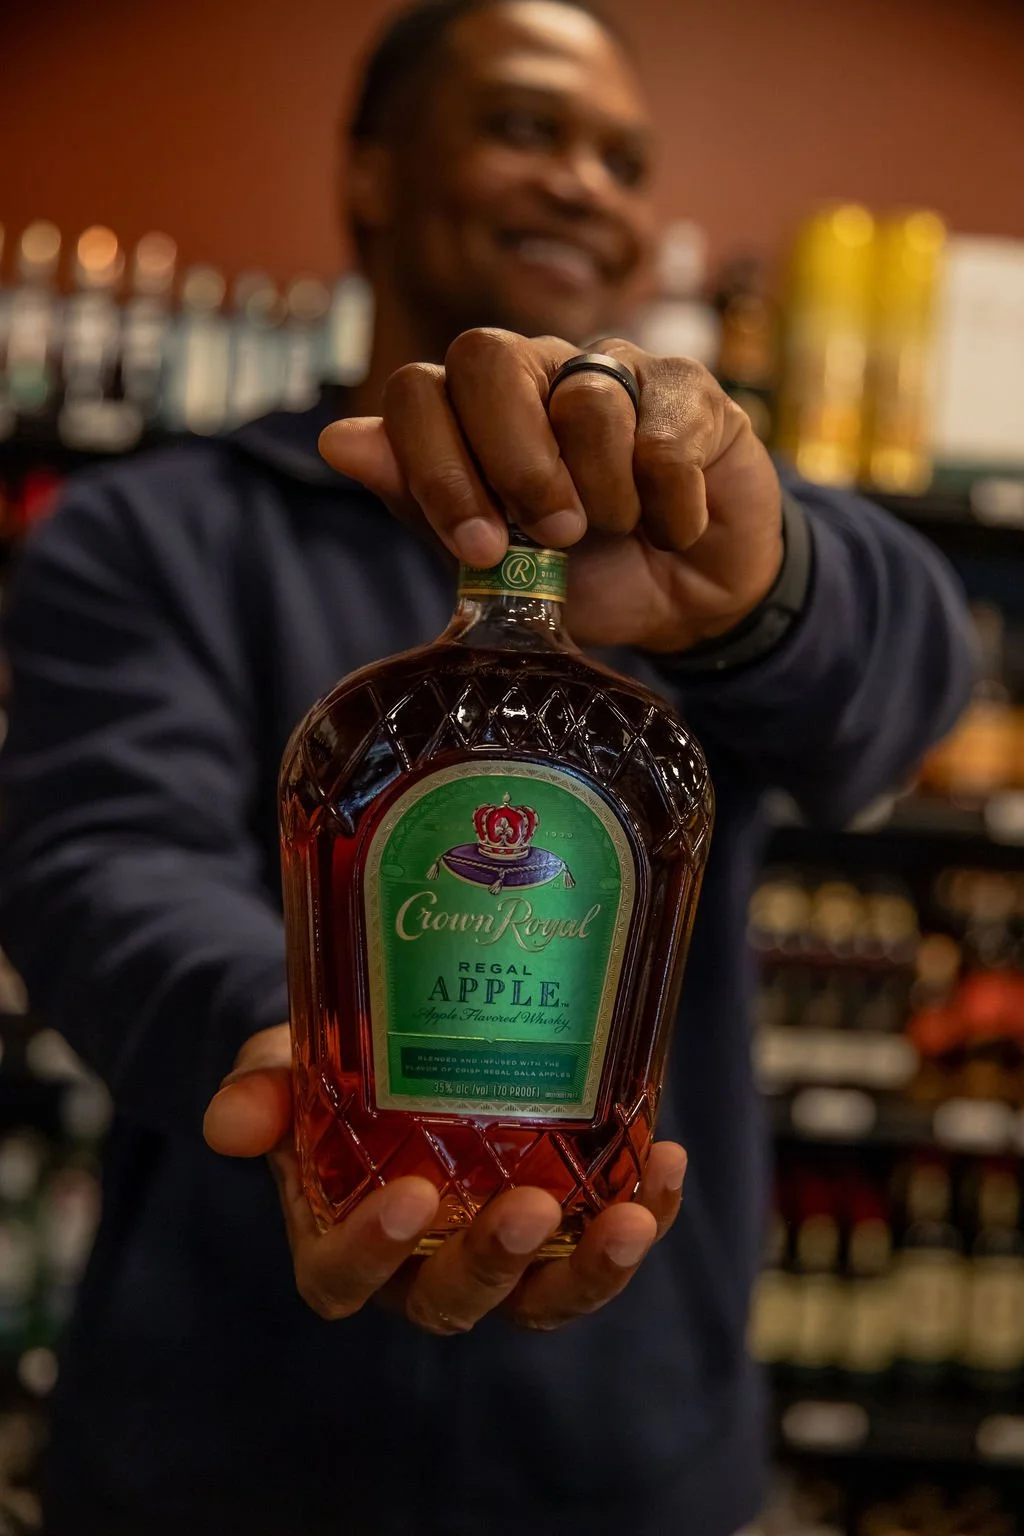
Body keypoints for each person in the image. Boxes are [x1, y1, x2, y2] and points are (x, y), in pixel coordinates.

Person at [0, 2, 974, 1533]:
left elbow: (912, 692)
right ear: (373, 174)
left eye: (623, 157)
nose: (586, 182)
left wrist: (763, 584)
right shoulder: (156, 528)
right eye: (528, 128)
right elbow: (92, 865)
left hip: (630, 1462)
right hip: (219, 1460)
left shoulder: (697, 532)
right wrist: (306, 1053)